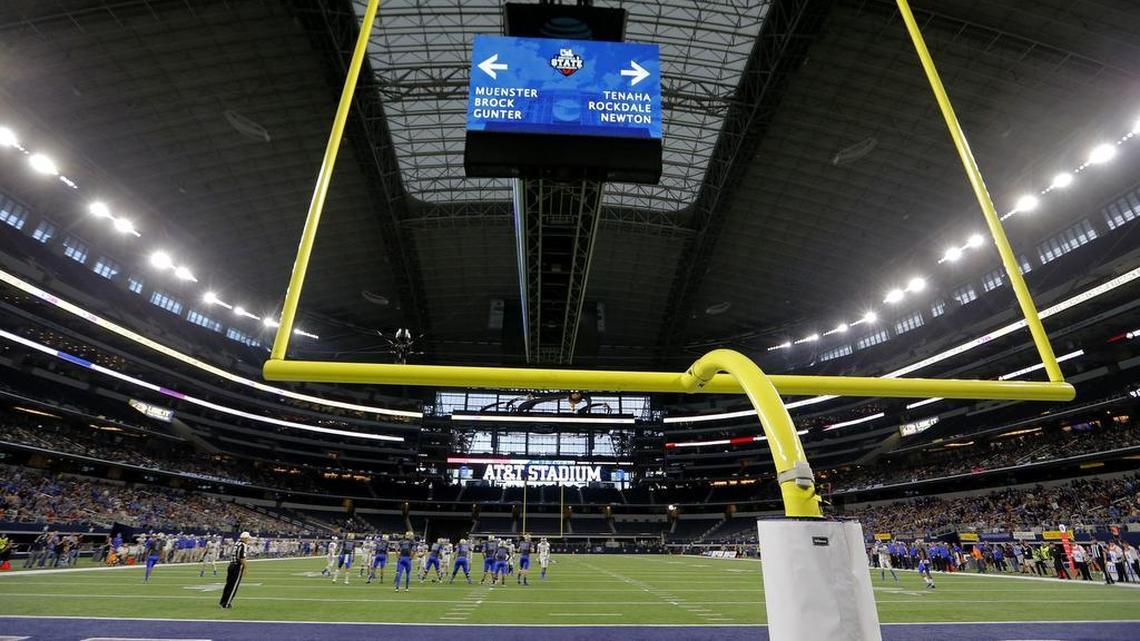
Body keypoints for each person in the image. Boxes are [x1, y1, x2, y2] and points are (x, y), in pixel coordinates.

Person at [219, 532, 251, 608]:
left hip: (231, 565)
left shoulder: (237, 543)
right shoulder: (243, 545)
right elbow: (242, 557)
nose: (248, 540)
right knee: (233, 586)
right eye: (247, 538)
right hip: (237, 566)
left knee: (228, 585)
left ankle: (223, 601)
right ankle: (226, 604)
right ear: (245, 538)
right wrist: (245, 567)